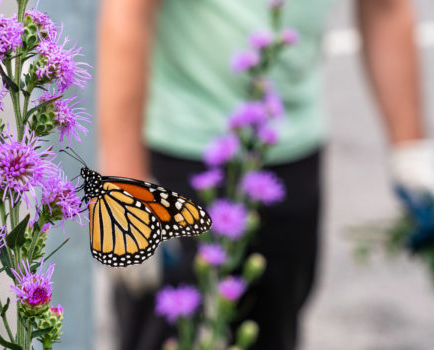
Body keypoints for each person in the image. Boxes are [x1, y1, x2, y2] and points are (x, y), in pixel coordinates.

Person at [97, 0, 429, 349]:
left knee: (273, 332)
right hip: (183, 160)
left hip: (288, 160)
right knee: (167, 336)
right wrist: (126, 185)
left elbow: (386, 8)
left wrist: (410, 152)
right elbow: (127, 12)